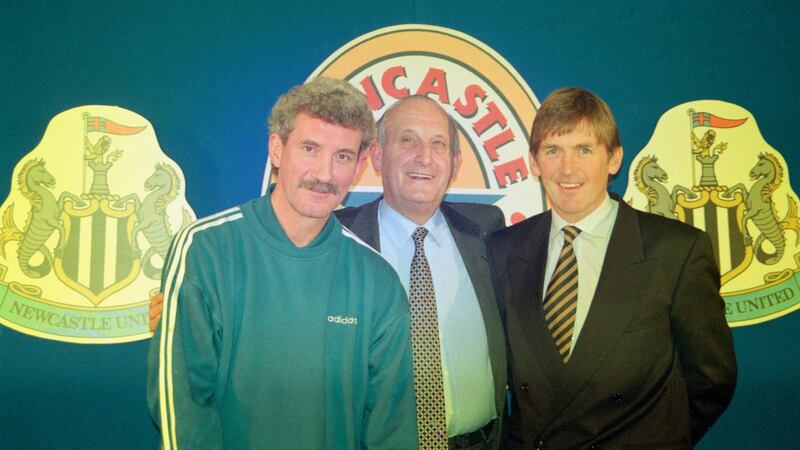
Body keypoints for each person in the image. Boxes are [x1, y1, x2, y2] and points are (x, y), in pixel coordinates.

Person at [147, 77, 418, 449]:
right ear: (277, 149)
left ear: (357, 167)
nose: (324, 173)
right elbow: (182, 403)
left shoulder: (377, 280)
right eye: (310, 148)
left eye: (342, 156)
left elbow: (392, 428)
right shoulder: (204, 250)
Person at [487, 88, 736, 449]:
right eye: (553, 150)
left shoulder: (676, 251)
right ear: (534, 162)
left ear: (614, 158)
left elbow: (712, 379)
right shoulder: (503, 249)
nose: (567, 168)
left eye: (584, 150)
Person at [337, 95, 506, 449]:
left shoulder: (487, 230)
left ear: (455, 162)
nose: (424, 157)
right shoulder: (338, 241)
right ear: (378, 156)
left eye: (438, 144)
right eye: (408, 140)